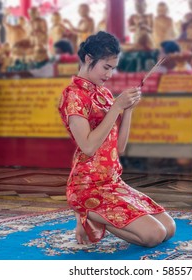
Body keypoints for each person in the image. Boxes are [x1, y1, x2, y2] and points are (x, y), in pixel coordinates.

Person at [58, 31, 176, 247]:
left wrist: (128, 110)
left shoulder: (103, 94)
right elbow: (88, 146)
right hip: (87, 186)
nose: (109, 74)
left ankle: (93, 219)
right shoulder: (73, 95)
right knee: (154, 235)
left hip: (112, 181)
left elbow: (119, 148)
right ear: (88, 59)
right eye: (106, 67)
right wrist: (116, 108)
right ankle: (86, 214)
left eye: (113, 68)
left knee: (169, 228)